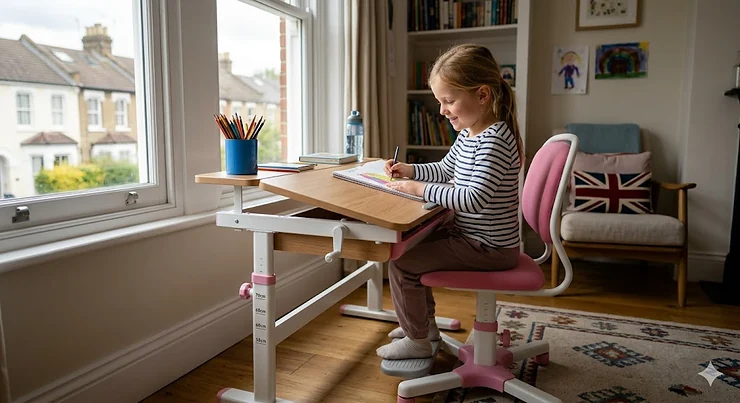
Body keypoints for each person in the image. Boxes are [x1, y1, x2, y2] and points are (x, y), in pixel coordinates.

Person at [376, 43, 524, 360]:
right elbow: (445, 170)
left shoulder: (494, 140)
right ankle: (423, 328)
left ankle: (417, 339)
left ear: (482, 95)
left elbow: (474, 198)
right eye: (440, 101)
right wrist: (411, 170)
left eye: (449, 100)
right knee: (410, 248)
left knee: (403, 263)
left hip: (490, 248)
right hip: (476, 239)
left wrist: (417, 189)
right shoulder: (469, 134)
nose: (442, 110)